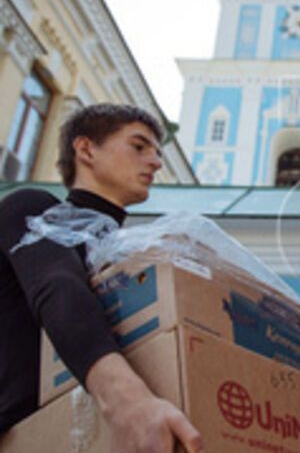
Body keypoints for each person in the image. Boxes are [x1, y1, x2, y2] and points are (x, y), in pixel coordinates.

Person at [0, 104, 203, 452]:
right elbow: (58, 285)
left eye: (158, 153)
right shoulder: (31, 209)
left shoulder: (129, 258)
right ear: (86, 149)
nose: (155, 162)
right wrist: (130, 404)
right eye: (139, 147)